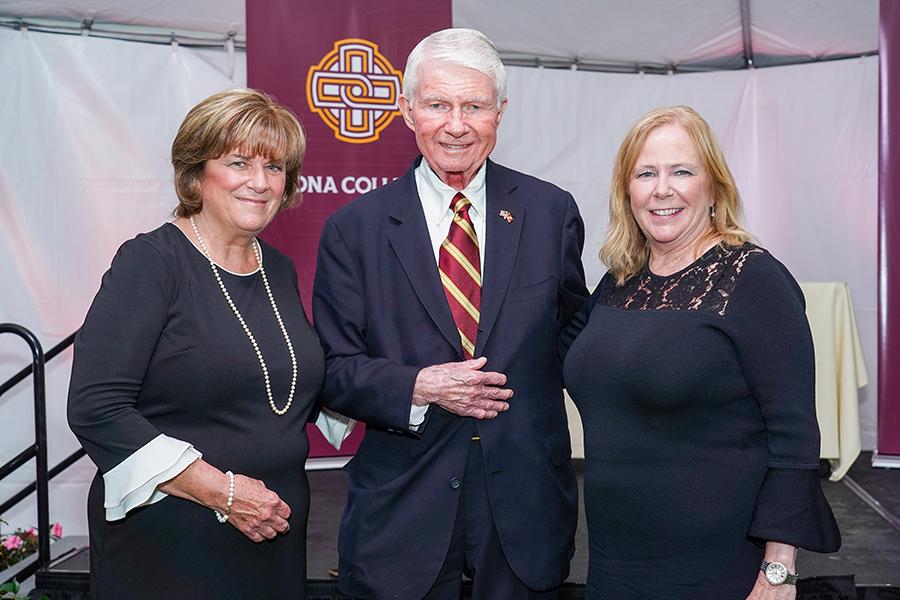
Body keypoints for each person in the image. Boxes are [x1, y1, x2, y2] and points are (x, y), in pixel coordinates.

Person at [313, 28, 589, 599]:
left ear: (500, 113)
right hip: (401, 514)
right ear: (408, 110)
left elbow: (579, 344)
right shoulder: (354, 229)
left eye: (474, 106)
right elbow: (333, 370)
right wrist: (418, 385)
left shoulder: (551, 212)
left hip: (526, 514)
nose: (456, 124)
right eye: (438, 105)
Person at [561, 105, 841, 599]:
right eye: (645, 173)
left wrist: (778, 571)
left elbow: (794, 434)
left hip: (717, 567)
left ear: (713, 186)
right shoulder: (619, 282)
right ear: (627, 192)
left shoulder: (753, 280)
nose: (662, 189)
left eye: (682, 171)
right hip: (613, 561)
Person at [67, 88, 324, 599]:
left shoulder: (277, 268)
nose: (259, 182)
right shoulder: (151, 262)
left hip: (272, 539)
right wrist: (224, 493)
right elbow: (96, 407)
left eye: (275, 168)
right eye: (238, 162)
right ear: (195, 173)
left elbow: (281, 383)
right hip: (171, 548)